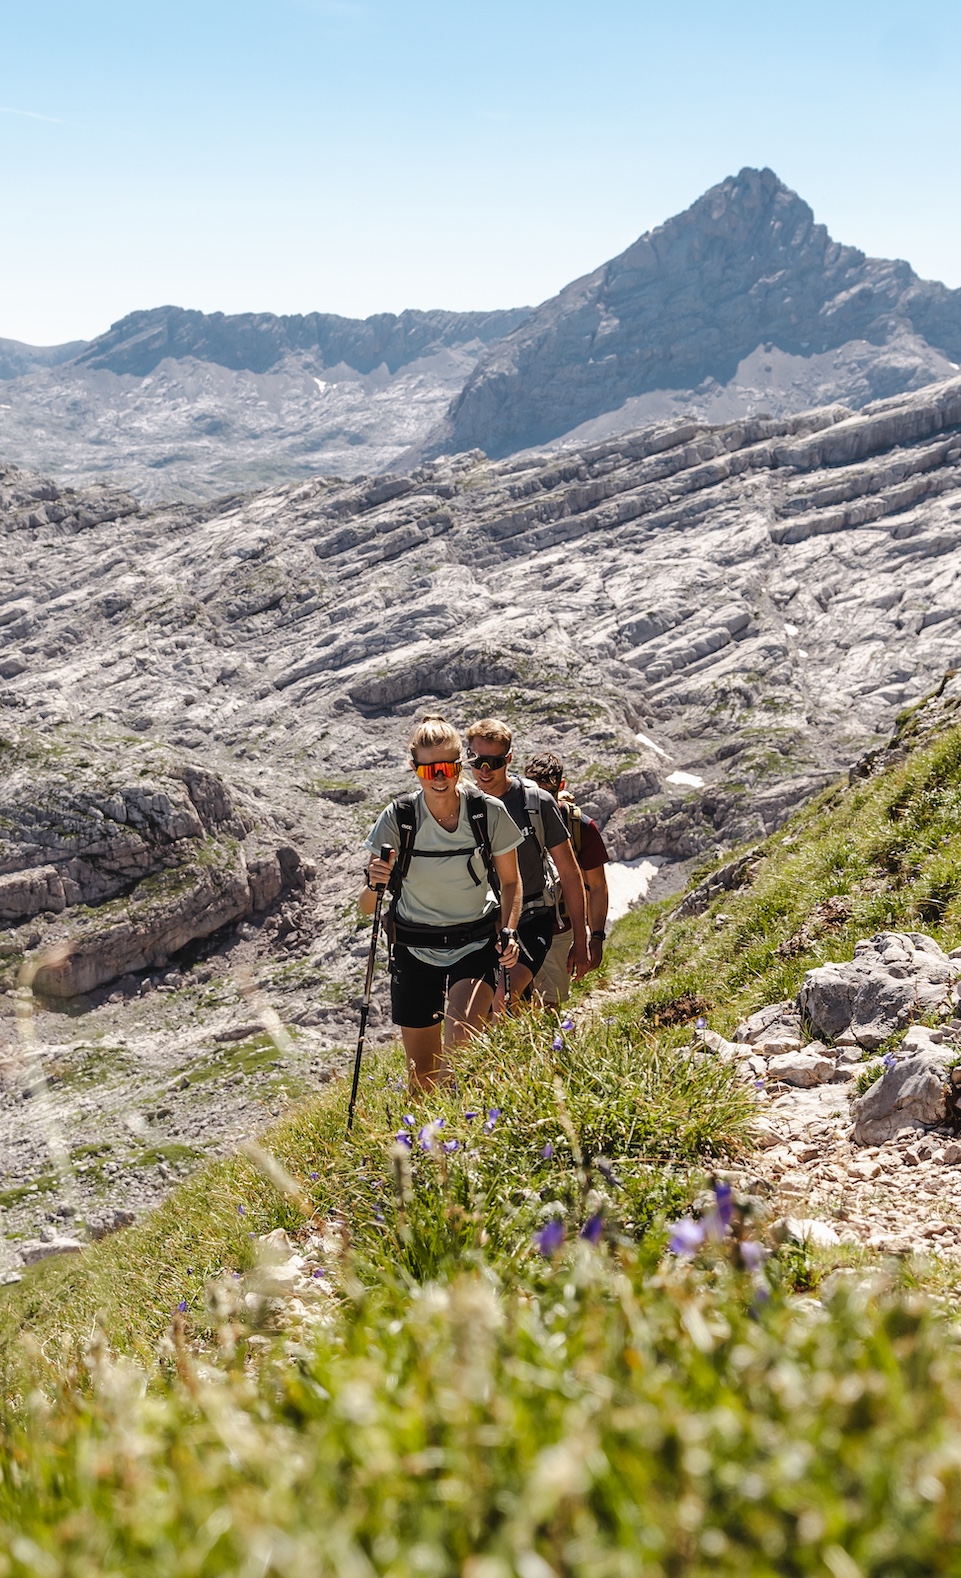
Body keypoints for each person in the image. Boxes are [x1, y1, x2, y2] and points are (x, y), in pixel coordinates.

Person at [361, 713, 521, 1091]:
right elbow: (368, 905)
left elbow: (513, 882)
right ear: (415, 768)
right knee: (422, 1078)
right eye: (428, 769)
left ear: (459, 765)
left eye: (447, 766)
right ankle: (426, 1145)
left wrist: (510, 930)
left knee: (460, 1045)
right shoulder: (399, 817)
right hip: (414, 950)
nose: (438, 777)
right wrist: (374, 882)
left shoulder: (487, 813)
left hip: (476, 943)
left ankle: (461, 1136)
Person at [464, 717, 589, 1006]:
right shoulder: (460, 806)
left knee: (502, 999)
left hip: (533, 918)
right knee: (484, 1012)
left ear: (508, 759)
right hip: (482, 925)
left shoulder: (536, 802)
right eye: (476, 760)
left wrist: (581, 942)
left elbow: (570, 874)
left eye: (493, 762)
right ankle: (524, 1049)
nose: (484, 770)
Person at [524, 751, 610, 1007]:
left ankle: (548, 1046)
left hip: (558, 931)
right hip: (517, 927)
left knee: (549, 1004)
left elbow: (596, 887)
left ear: (560, 787)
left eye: (546, 793)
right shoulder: (506, 818)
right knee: (512, 1005)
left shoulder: (581, 827)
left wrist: (595, 938)